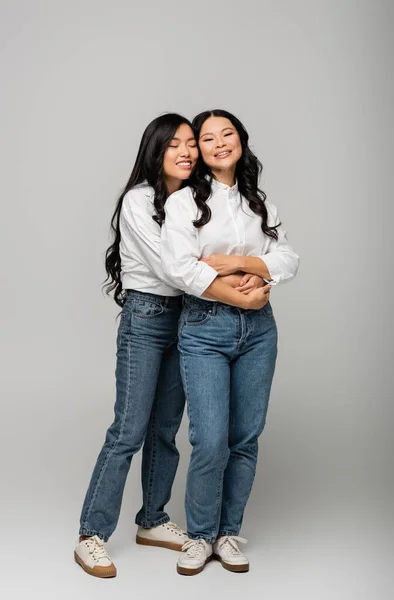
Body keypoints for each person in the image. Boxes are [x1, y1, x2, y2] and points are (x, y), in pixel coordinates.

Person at [74, 113, 266, 578]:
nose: (185, 152)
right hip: (146, 318)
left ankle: (153, 519)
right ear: (155, 152)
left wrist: (223, 268)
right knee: (129, 430)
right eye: (172, 145)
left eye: (190, 144)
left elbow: (198, 263)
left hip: (188, 317)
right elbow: (170, 267)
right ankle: (91, 535)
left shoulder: (194, 201)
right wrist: (239, 281)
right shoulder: (139, 200)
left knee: (166, 427)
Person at [160, 109, 300, 576]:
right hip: (205, 328)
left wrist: (233, 263)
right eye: (207, 138)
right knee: (211, 439)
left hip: (260, 332)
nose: (220, 143)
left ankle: (227, 533)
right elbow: (179, 268)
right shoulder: (184, 204)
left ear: (240, 140)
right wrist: (236, 286)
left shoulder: (258, 201)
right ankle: (200, 536)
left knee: (245, 438)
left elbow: (288, 257)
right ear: (197, 149)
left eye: (228, 134)